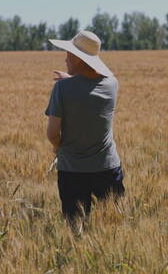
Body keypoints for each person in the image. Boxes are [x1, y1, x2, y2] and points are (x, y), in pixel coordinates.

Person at [45, 31, 125, 230]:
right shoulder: (113, 85)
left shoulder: (62, 89)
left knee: (76, 231)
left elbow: (52, 134)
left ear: (78, 58)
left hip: (73, 172)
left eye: (69, 54)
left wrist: (59, 147)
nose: (65, 58)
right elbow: (89, 86)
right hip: (108, 168)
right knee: (112, 230)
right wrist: (71, 79)